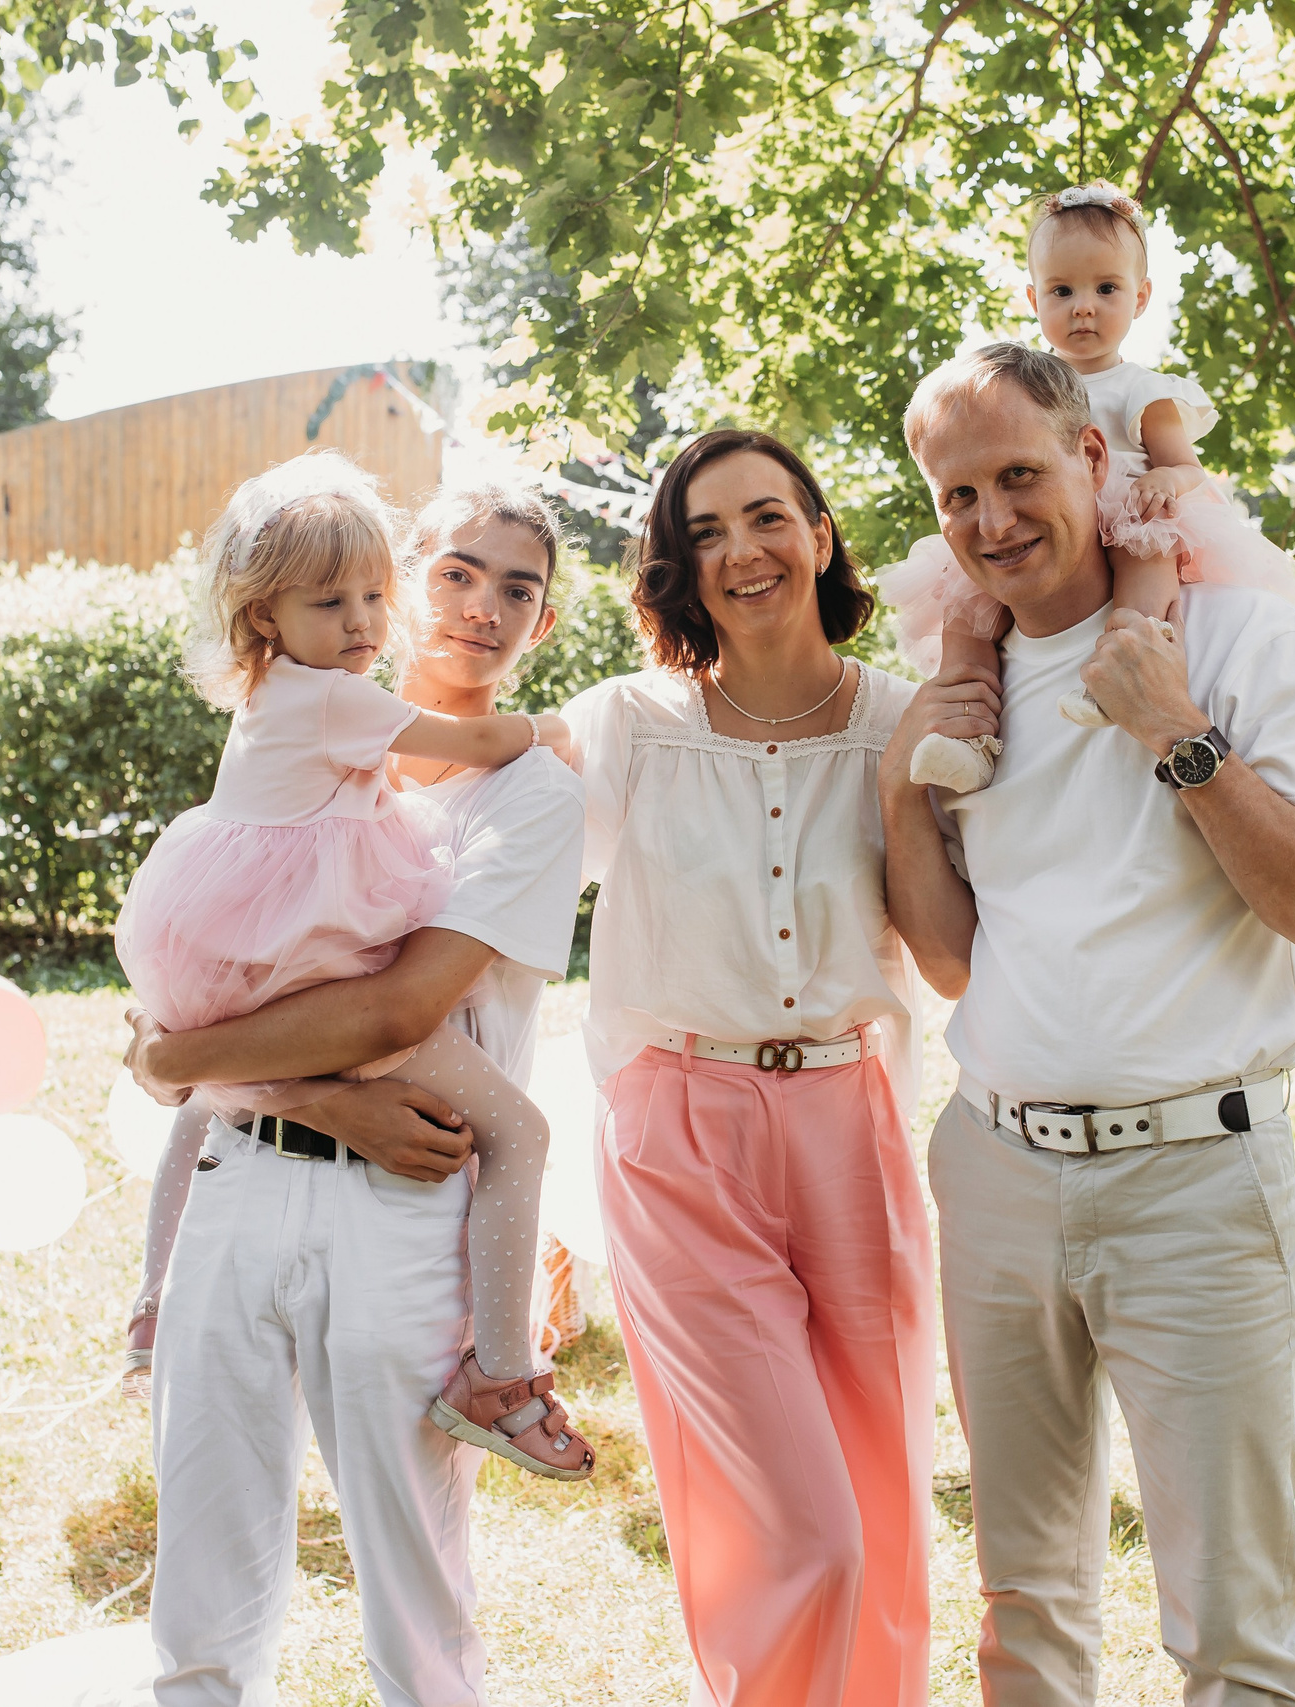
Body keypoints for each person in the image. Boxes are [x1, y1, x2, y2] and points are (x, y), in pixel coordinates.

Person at [880, 342, 1295, 1707]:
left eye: (1021, 476)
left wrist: (1181, 734)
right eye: (957, 493)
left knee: (1232, 1628)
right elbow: (947, 959)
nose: (993, 522)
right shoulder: (958, 688)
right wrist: (895, 785)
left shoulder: (1239, 638)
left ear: (1094, 461)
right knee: (1025, 1602)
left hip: (1195, 1182)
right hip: (995, 1170)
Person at [121, 474, 594, 1707]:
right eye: (456, 572)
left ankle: (503, 1370)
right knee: (205, 1552)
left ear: (541, 623)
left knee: (412, 1587)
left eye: (519, 588)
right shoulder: (314, 734)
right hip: (240, 1168)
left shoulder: (526, 792)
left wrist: (178, 1061)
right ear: (408, 569)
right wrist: (276, 1086)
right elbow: (217, 981)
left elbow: (392, 1010)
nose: (481, 607)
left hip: (398, 1210)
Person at [561, 429, 936, 1707]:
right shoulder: (629, 726)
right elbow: (474, 867)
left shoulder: (903, 716)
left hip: (852, 1117)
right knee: (795, 1533)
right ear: (679, 568)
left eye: (765, 517)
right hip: (680, 1130)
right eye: (704, 532)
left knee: (882, 1513)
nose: (740, 551)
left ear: (821, 535)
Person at [879, 183, 1295, 793]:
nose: (1084, 307)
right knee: (963, 608)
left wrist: (1163, 479)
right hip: (1046, 515)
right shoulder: (1019, 389)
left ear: (1141, 297)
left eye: (1106, 289)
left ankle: (1119, 668)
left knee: (1148, 551)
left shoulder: (1143, 389)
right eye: (1062, 290)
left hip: (1128, 503)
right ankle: (966, 733)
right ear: (1033, 298)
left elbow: (1187, 468)